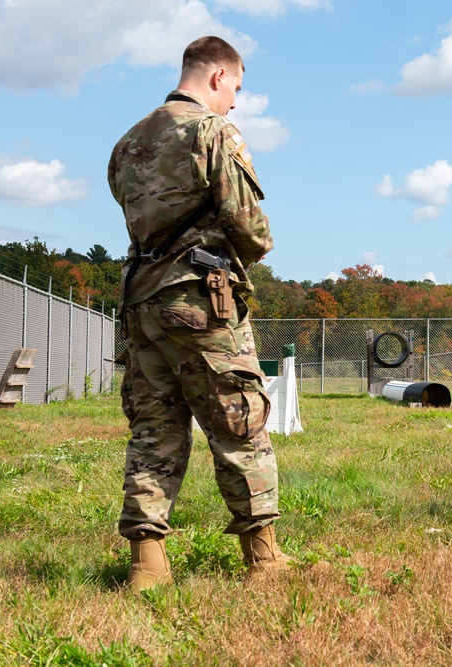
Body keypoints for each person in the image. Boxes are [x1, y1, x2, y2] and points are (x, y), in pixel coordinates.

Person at [109, 36, 289, 592]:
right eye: (235, 87)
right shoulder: (212, 132)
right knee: (239, 419)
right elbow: (249, 227)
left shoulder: (127, 141)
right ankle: (264, 559)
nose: (235, 100)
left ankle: (147, 565)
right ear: (217, 77)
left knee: (155, 429)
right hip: (200, 301)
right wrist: (259, 248)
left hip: (142, 304)